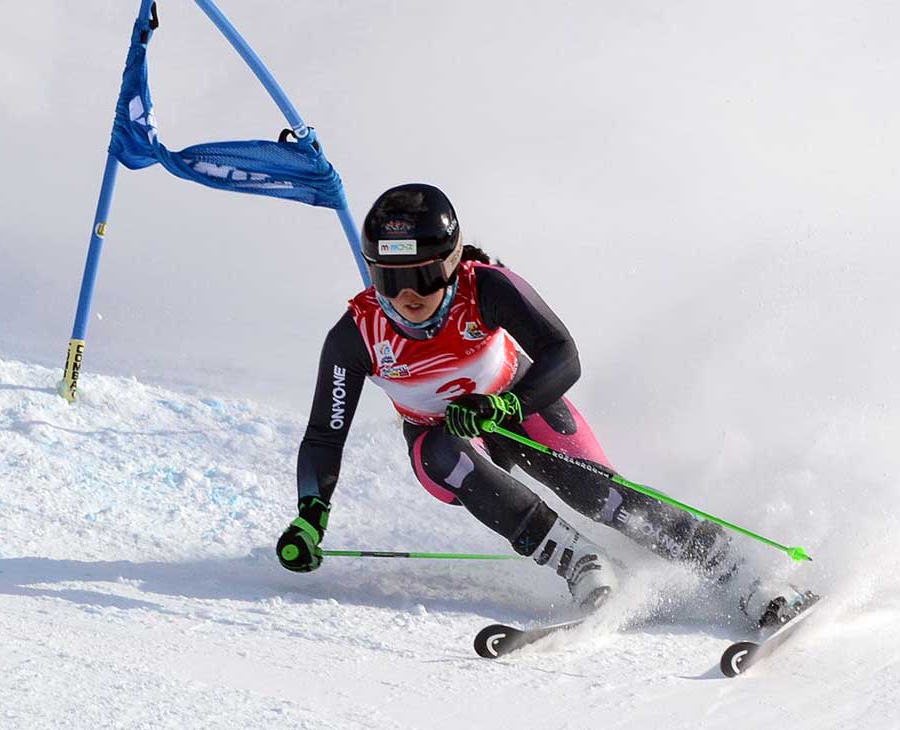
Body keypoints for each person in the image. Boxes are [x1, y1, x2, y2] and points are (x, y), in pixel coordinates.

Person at [276, 183, 797, 624]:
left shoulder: (488, 289)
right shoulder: (356, 335)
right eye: (390, 278)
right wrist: (311, 515)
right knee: (442, 451)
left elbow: (563, 357)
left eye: (422, 277)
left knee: (597, 494)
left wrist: (504, 406)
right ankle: (578, 561)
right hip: (442, 434)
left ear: (453, 265)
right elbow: (325, 434)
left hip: (517, 402)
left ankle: (741, 575)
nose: (406, 295)